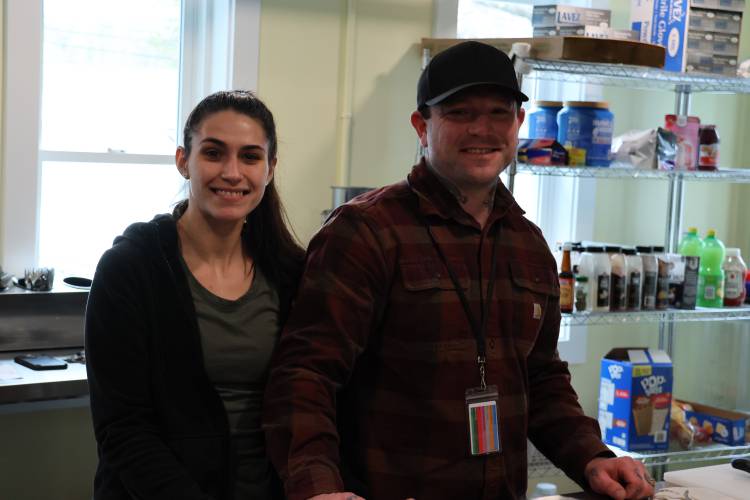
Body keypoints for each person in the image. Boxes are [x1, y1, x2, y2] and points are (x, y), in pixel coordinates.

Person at [262, 41, 655, 500]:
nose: (481, 129)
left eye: (498, 113)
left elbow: (542, 379)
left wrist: (593, 458)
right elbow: (305, 375)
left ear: (519, 125)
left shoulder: (529, 245)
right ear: (421, 126)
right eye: (460, 113)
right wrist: (318, 488)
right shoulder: (366, 232)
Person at [85, 90, 305, 500]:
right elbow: (124, 429)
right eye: (214, 153)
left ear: (270, 169)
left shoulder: (290, 272)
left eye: (251, 157)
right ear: (183, 161)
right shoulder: (131, 270)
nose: (233, 172)